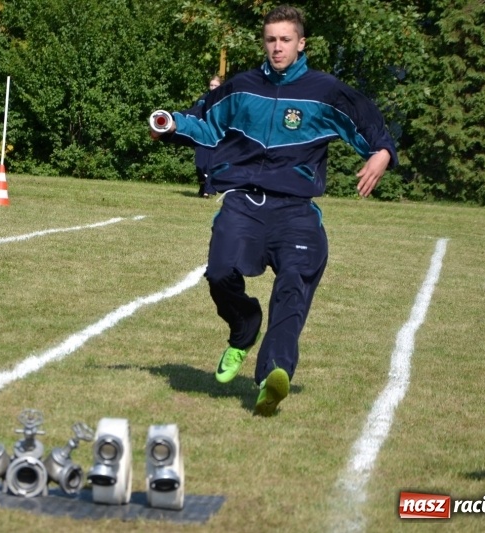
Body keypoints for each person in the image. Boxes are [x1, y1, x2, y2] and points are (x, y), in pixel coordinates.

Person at [149, 5, 397, 416]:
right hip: (243, 203)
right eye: (271, 40)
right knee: (219, 273)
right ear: (263, 43)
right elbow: (205, 123)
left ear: (301, 44)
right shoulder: (242, 87)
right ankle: (244, 327)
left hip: (296, 212)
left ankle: (273, 375)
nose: (277, 47)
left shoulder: (325, 90)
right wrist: (171, 123)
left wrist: (382, 153)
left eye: (285, 40)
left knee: (293, 285)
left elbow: (367, 122)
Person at [191, 75, 222, 198]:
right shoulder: (202, 99)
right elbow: (193, 114)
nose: (213, 87)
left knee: (211, 165)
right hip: (201, 134)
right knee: (200, 165)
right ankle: (203, 186)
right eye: (211, 85)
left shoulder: (224, 99)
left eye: (216, 85)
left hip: (215, 136)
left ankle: (208, 191)